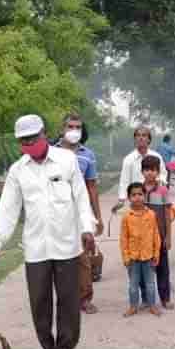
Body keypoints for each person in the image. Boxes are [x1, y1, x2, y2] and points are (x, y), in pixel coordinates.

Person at [0, 114, 96, 349]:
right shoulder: (18, 170)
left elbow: (80, 196)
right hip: (36, 248)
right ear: (19, 142)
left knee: (68, 300)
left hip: (66, 244)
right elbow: (8, 208)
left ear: (44, 134)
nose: (30, 143)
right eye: (24, 140)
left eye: (33, 137)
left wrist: (87, 228)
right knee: (39, 301)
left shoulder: (67, 160)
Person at [57, 113, 104, 314]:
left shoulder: (88, 155)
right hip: (58, 213)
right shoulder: (51, 152)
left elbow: (91, 187)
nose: (74, 131)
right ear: (62, 129)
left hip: (81, 213)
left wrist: (98, 217)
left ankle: (85, 299)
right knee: (60, 258)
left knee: (83, 256)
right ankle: (65, 300)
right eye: (70, 126)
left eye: (78, 127)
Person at [119, 182, 162, 317]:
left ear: (145, 196)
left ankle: (152, 305)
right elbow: (123, 239)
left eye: (140, 194)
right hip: (133, 258)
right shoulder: (126, 216)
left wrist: (156, 254)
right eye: (134, 195)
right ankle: (133, 306)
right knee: (133, 285)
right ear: (129, 197)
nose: (137, 197)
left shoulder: (151, 214)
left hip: (148, 256)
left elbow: (156, 235)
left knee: (150, 283)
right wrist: (125, 257)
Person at [141, 155, 174, 309]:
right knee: (143, 270)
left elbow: (167, 215)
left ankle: (165, 298)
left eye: (153, 170)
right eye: (147, 170)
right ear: (142, 172)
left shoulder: (163, 190)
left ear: (158, 171)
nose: (150, 173)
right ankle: (146, 299)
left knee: (162, 269)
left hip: (159, 237)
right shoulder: (137, 191)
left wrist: (168, 236)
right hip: (142, 239)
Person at [116, 126, 168, 210]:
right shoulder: (129, 159)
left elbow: (163, 174)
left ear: (149, 139)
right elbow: (124, 181)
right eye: (138, 135)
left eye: (144, 135)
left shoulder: (156, 156)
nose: (141, 138)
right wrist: (122, 199)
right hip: (136, 198)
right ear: (135, 139)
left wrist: (158, 183)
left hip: (154, 197)